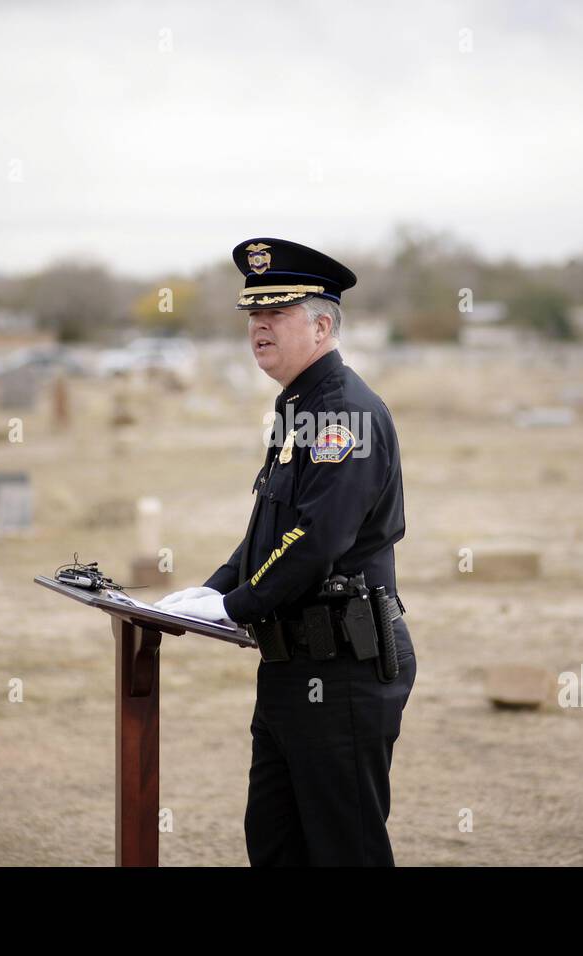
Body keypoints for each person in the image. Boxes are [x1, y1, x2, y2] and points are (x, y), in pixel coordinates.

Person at [156, 237, 416, 866]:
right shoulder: (299, 409)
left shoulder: (343, 416)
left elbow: (315, 543)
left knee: (342, 850)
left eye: (276, 314)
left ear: (322, 325)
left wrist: (236, 606)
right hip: (289, 664)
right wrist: (211, 592)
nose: (258, 327)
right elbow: (270, 533)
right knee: (276, 846)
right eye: (253, 315)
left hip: (342, 668)